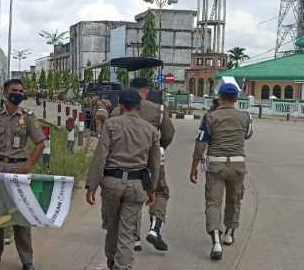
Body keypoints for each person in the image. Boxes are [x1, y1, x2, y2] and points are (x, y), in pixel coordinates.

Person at [86, 89, 161, 270]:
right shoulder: (151, 130)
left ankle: (112, 262)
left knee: (112, 227)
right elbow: (155, 164)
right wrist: (152, 190)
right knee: (127, 232)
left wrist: (91, 185)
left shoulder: (110, 125)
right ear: (139, 107)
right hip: (137, 185)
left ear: (120, 106)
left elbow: (100, 157)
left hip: (112, 183)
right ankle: (123, 266)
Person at [0, 79, 45, 270]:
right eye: (14, 90)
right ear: (5, 92)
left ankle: (27, 260)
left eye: (21, 91)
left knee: (21, 216)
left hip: (19, 171)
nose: (18, 94)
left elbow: (40, 143)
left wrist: (29, 165)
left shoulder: (28, 117)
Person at [190, 83, 253, 260]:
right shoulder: (245, 117)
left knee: (213, 203)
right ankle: (229, 234)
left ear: (220, 98)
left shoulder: (210, 117)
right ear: (236, 99)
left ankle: (216, 241)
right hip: (238, 165)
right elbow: (248, 135)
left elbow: (201, 143)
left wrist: (194, 166)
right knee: (235, 200)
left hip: (216, 166)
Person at [111, 77, 175, 252]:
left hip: (126, 160)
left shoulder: (118, 110)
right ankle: (155, 228)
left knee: (132, 195)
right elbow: (168, 134)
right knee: (160, 191)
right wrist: (158, 148)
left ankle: (134, 237)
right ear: (146, 91)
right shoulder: (158, 110)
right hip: (152, 160)